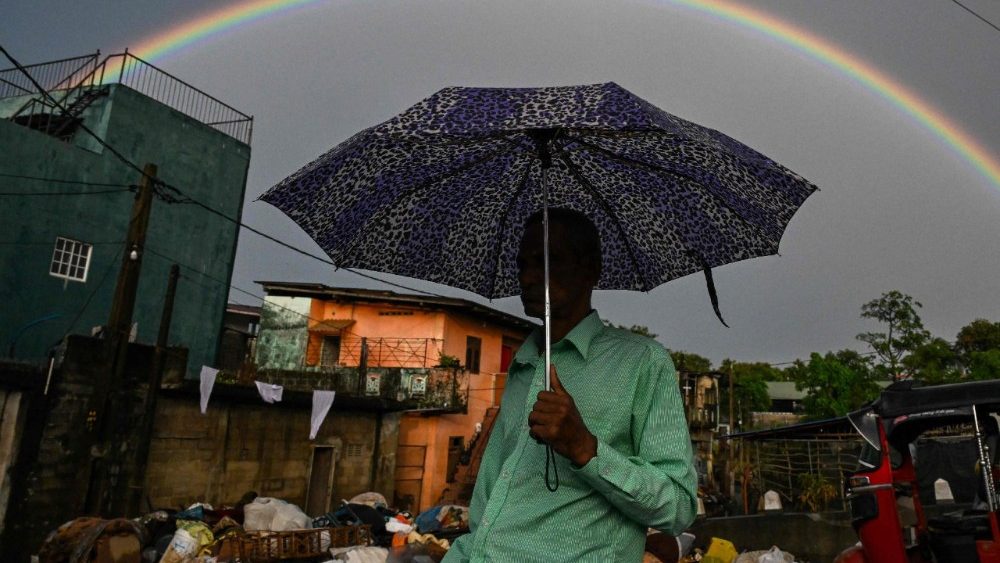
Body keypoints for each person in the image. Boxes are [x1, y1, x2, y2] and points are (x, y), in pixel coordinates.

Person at [444, 208, 698, 562]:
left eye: (549, 261)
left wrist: (585, 448)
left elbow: (679, 506)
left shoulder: (642, 362)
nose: (529, 277)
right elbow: (489, 506)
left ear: (591, 269)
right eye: (523, 264)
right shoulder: (523, 364)